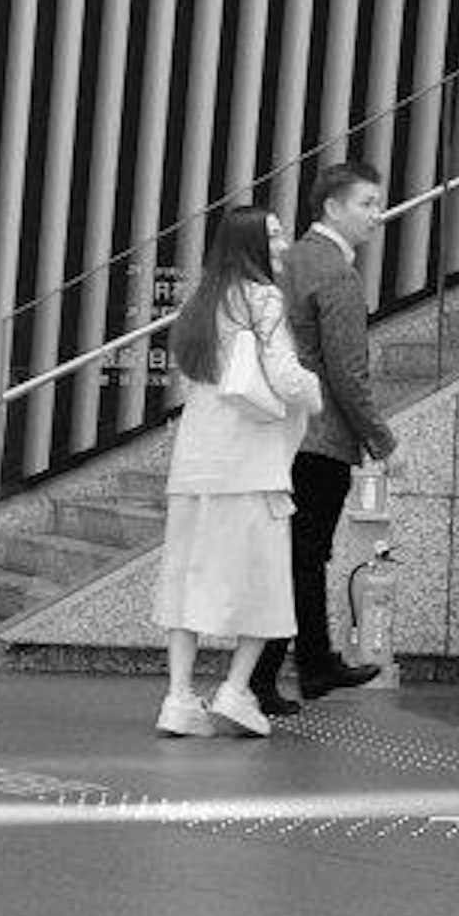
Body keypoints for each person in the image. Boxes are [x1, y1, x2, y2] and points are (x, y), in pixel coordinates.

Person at [153, 206, 323, 737]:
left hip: (196, 466)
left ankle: (179, 698)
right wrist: (317, 392)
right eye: (272, 236)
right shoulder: (264, 298)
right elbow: (284, 377)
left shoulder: (199, 302)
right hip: (251, 467)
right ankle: (235, 690)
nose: (282, 244)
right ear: (249, 244)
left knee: (186, 581)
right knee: (264, 585)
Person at [250, 161, 396, 712]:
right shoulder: (335, 272)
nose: (377, 215)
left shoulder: (287, 262)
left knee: (294, 559)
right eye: (367, 203)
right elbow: (348, 372)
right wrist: (382, 441)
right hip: (322, 438)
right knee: (304, 558)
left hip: (281, 435)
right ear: (332, 207)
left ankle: (308, 664)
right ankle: (286, 672)